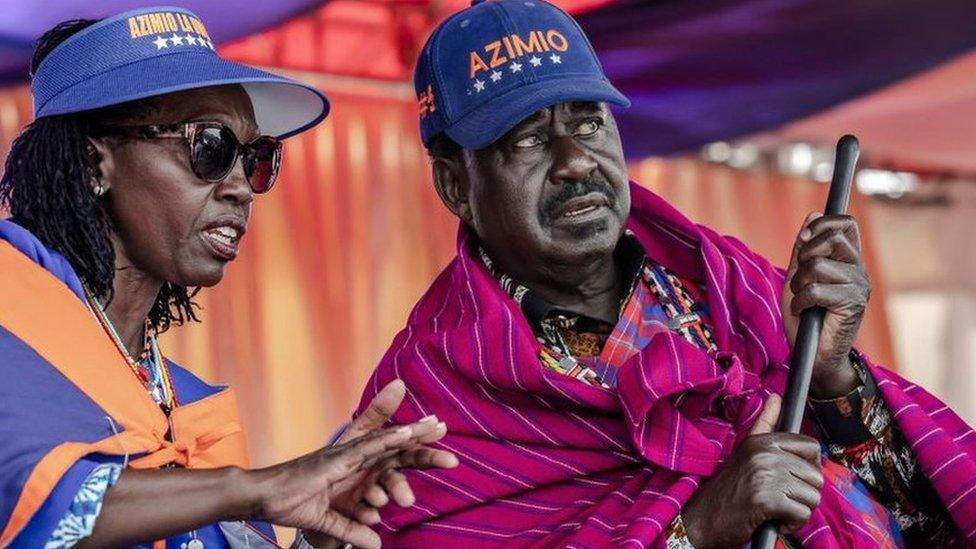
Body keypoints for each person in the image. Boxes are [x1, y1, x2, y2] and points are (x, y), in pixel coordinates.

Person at [351, 0, 976, 547]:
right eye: (527, 141)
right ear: (455, 184)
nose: (575, 162)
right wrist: (695, 529)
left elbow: (929, 519)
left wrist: (833, 378)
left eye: (589, 122)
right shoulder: (424, 398)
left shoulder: (735, 285)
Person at [0, 8, 456, 549]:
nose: (241, 187)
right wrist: (253, 488)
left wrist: (321, 528)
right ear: (94, 161)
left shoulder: (183, 402)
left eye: (256, 158)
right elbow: (23, 501)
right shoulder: (12, 312)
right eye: (209, 147)